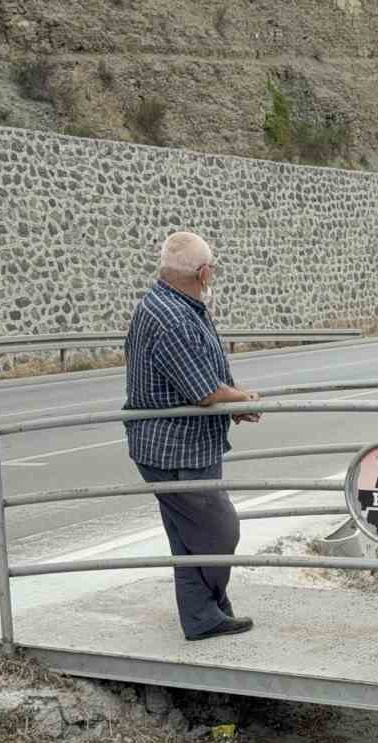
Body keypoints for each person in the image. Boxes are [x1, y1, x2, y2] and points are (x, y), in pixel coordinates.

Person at [125, 231, 262, 641]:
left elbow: (205, 373)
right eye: (213, 268)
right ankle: (208, 608)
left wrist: (232, 400)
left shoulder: (176, 304)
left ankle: (205, 615)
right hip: (175, 449)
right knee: (221, 529)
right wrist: (241, 400)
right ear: (203, 272)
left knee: (188, 538)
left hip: (176, 445)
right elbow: (203, 390)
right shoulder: (171, 318)